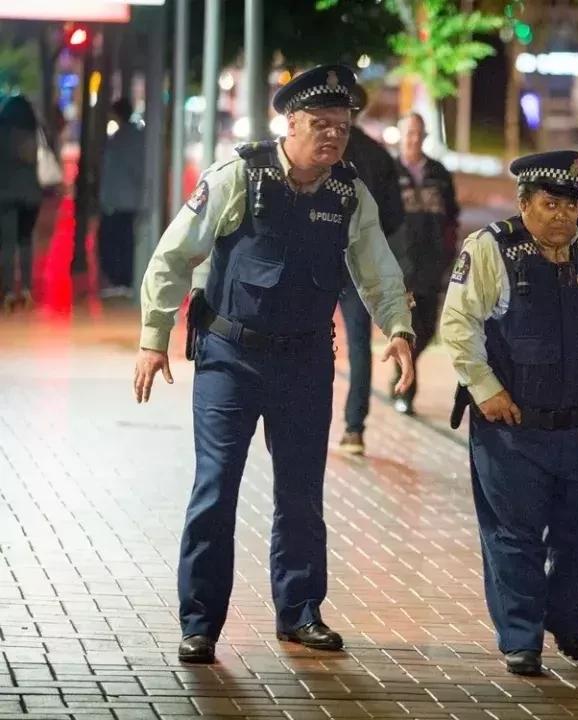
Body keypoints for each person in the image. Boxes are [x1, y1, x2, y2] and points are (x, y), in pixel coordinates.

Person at [133, 64, 416, 664]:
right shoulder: (240, 176)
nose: (333, 137)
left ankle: (301, 612)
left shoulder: (348, 193)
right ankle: (201, 623)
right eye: (321, 124)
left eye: (342, 127)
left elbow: (378, 268)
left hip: (306, 362)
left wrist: (398, 328)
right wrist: (153, 337)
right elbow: (173, 255)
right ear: (290, 122)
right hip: (229, 359)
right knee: (216, 491)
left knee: (301, 496)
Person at [440, 150, 578, 676]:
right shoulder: (491, 250)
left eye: (570, 206)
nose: (562, 216)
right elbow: (458, 325)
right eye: (550, 204)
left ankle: (565, 621)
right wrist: (483, 388)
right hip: (513, 428)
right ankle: (521, 637)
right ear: (524, 203)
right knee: (514, 535)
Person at [336, 84, 406, 455]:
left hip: (317, 259)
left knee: (299, 337)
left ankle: (293, 423)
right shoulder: (378, 156)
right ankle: (353, 428)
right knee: (359, 345)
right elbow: (394, 216)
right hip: (360, 263)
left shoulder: (325, 149)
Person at [386, 112, 460, 415]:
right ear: (401, 136)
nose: (413, 139)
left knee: (428, 329)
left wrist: (448, 254)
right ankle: (405, 389)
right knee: (409, 327)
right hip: (399, 267)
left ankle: (404, 368)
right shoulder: (388, 172)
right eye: (409, 134)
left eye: (418, 134)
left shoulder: (438, 173)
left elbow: (452, 217)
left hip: (431, 266)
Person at [99, 97, 146, 297]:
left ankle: (120, 281)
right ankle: (122, 281)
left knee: (115, 240)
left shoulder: (120, 138)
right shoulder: (135, 137)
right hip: (127, 199)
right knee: (123, 239)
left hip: (118, 201)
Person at [0, 94, 43, 311]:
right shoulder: (34, 135)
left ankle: (8, 291)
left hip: (5, 196)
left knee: (7, 245)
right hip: (30, 197)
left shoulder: (3, 133)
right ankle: (26, 289)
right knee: (26, 243)